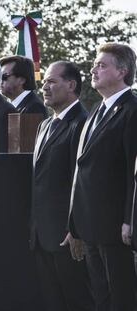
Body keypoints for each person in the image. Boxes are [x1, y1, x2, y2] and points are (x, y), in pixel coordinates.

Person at [69, 43, 137, 310]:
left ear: (122, 71)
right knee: (101, 296)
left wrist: (129, 220)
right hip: (89, 224)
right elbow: (82, 168)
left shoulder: (132, 109)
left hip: (116, 226)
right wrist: (73, 221)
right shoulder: (97, 110)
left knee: (121, 296)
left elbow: (134, 170)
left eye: (102, 65)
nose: (93, 69)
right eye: (95, 64)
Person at [31, 62, 94, 311]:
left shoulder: (82, 123)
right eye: (44, 82)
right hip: (41, 235)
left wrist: (75, 229)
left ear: (71, 85)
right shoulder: (44, 125)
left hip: (67, 237)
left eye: (52, 81)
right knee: (51, 300)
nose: (45, 87)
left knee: (77, 300)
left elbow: (79, 182)